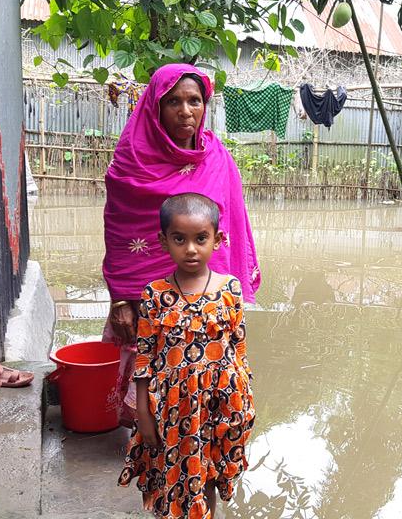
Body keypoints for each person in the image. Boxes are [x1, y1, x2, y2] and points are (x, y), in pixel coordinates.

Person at [103, 63, 261, 426]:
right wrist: (120, 299)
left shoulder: (217, 158)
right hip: (147, 301)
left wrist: (227, 303)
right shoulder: (132, 161)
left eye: (194, 101)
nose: (185, 111)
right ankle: (156, 449)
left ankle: (197, 449)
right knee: (149, 394)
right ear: (155, 106)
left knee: (203, 394)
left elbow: (231, 228)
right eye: (173, 101)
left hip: (206, 301)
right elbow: (118, 233)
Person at [119, 193, 255, 518]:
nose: (191, 249)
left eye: (200, 239)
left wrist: (245, 400)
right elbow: (144, 358)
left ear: (218, 240)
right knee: (170, 473)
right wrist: (142, 412)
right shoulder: (155, 294)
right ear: (163, 241)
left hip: (219, 403)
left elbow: (239, 349)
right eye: (180, 239)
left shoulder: (230, 289)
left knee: (208, 472)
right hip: (172, 406)